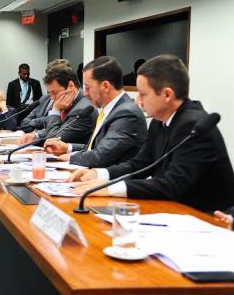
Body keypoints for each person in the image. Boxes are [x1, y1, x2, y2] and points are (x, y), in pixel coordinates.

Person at [70, 54, 234, 213]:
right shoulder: (159, 120)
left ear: (167, 95)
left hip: (208, 217)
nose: (137, 101)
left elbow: (173, 184)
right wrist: (98, 174)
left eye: (143, 94)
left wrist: (110, 188)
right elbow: (139, 164)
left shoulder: (194, 125)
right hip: (173, 210)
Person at [44, 56, 147, 167]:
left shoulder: (127, 113)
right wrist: (68, 147)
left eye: (88, 87)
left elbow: (101, 155)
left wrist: (71, 158)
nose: (85, 93)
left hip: (113, 176)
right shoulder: (111, 109)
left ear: (105, 86)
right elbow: (97, 148)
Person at [18, 62, 96, 146]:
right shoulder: (69, 102)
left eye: (55, 92)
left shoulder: (82, 109)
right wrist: (35, 135)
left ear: (71, 86)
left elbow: (53, 139)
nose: (52, 98)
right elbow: (60, 129)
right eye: (50, 93)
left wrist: (55, 110)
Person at [20, 59, 71, 133]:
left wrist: (37, 123)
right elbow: (24, 123)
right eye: (49, 75)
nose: (50, 78)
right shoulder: (44, 98)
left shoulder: (69, 101)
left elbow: (56, 127)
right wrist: (41, 123)